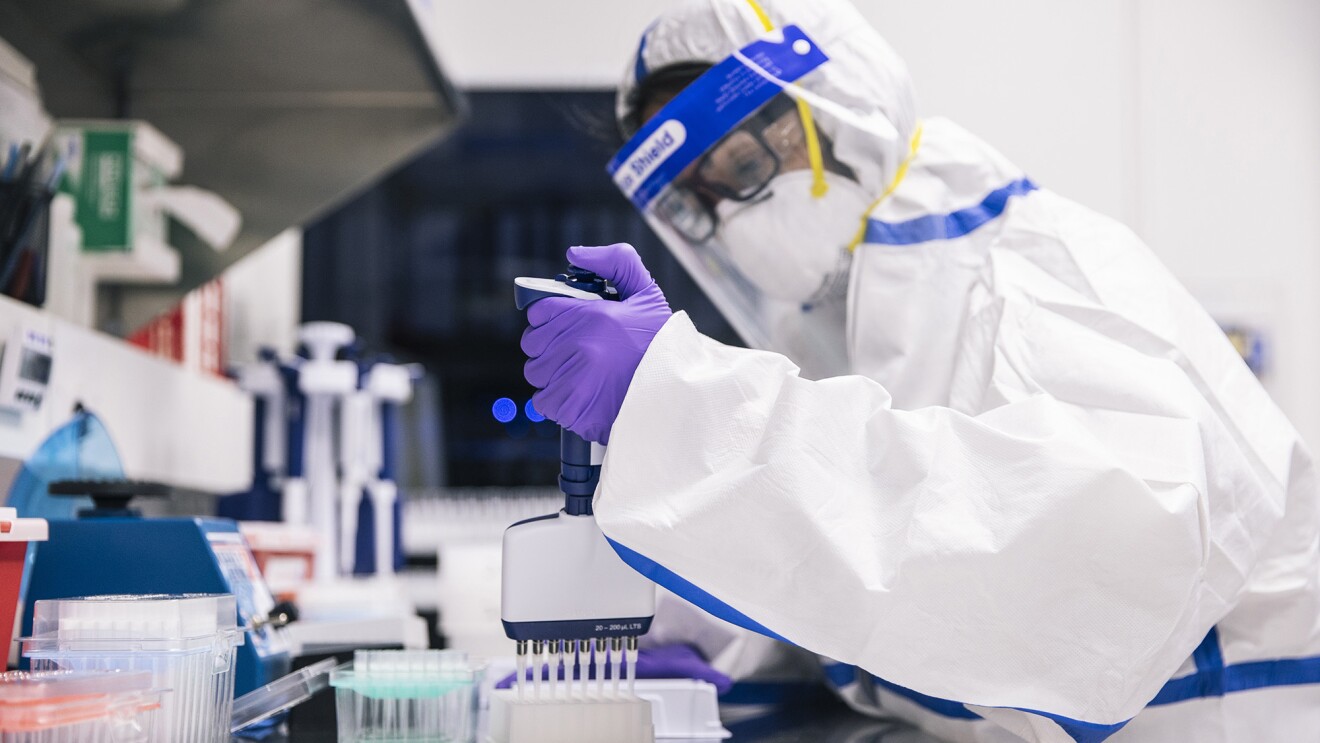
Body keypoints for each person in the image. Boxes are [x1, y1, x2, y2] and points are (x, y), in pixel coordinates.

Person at [519, 1, 1320, 740]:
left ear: (839, 101)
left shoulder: (1040, 272)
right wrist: (749, 667)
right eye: (701, 195)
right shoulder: (849, 326)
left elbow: (1091, 576)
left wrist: (683, 406)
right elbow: (897, 570)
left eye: (741, 160)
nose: (730, 210)